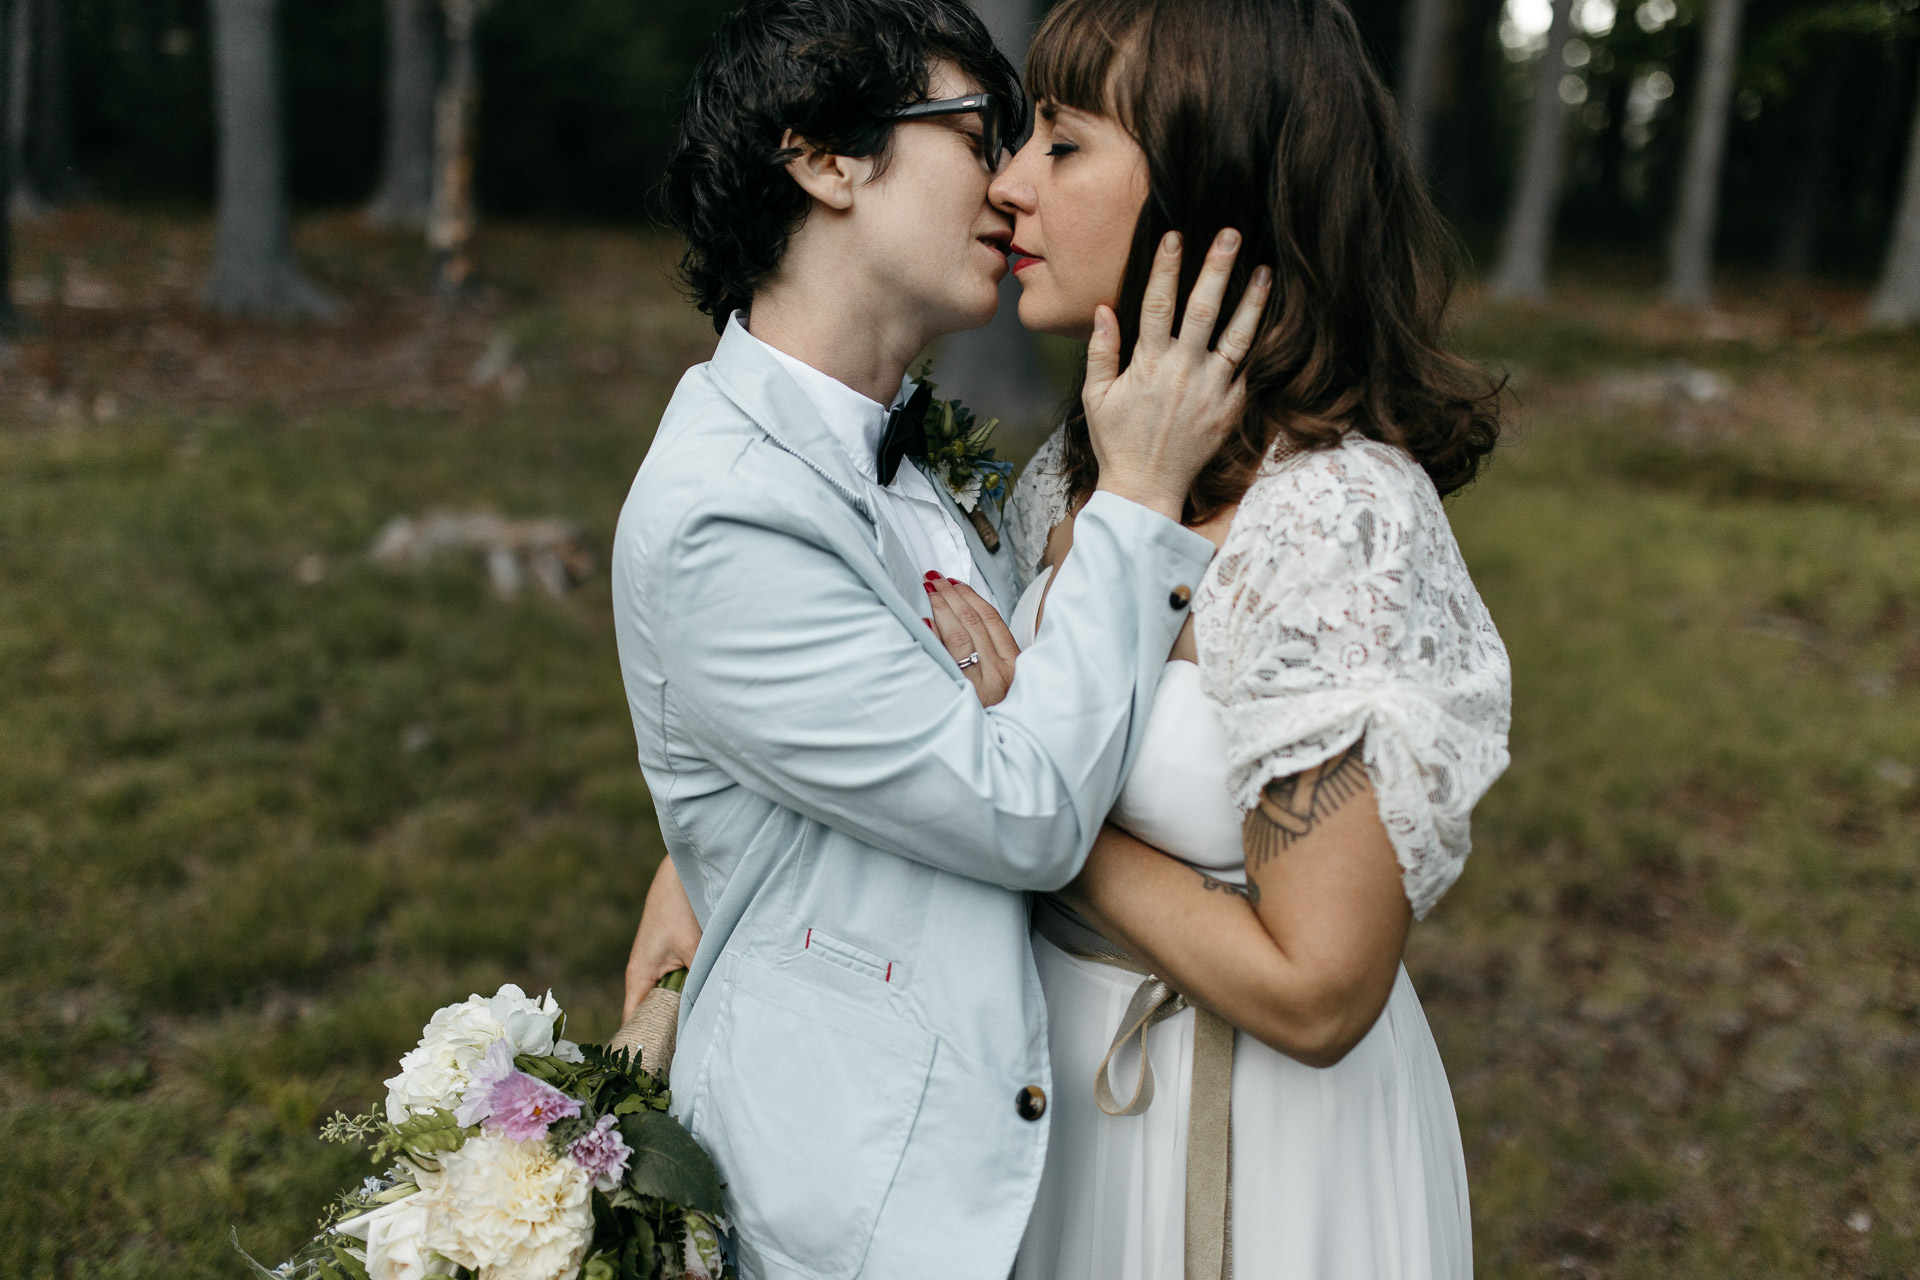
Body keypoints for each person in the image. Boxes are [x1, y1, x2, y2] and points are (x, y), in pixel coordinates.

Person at [610, 0, 1268, 1276]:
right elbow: (1025, 811)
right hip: (866, 1200)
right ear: (826, 159)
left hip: (1011, 1129)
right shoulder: (720, 514)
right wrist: (1136, 502)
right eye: (979, 132)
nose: (1016, 184)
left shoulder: (899, 445)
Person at [992, 0, 1511, 1276]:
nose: (1008, 184)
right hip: (1047, 1117)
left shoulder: (1332, 520)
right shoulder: (1066, 482)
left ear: (1204, 191)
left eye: (1062, 144)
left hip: (1254, 1151)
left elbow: (1321, 990)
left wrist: (1024, 824)